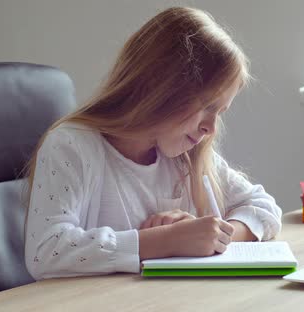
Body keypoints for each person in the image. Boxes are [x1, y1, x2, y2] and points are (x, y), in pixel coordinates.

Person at [24, 6, 282, 280]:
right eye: (207, 106)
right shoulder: (72, 145)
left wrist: (215, 237)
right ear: (161, 88)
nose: (211, 128)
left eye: (220, 113)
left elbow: (264, 206)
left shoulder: (187, 155)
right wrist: (167, 240)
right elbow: (46, 251)